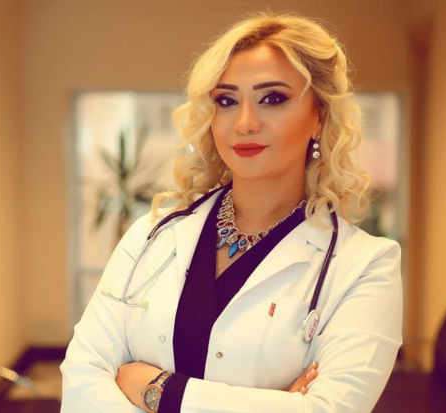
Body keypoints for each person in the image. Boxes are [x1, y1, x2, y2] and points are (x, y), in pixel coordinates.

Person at [61, 12, 402, 413]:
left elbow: (330, 410)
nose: (244, 123)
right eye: (226, 101)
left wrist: (160, 392)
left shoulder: (365, 267)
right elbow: (82, 382)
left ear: (320, 115)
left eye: (272, 99)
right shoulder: (150, 236)